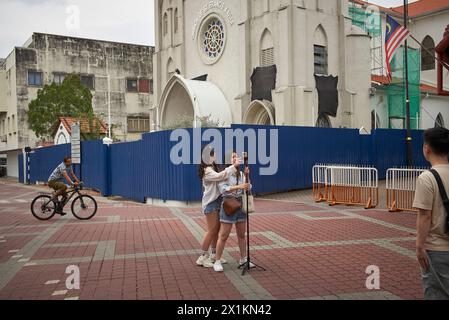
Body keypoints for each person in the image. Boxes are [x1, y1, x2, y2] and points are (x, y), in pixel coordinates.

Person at [413, 127, 449, 300]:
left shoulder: (427, 178)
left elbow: (425, 215)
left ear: (426, 148)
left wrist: (420, 246)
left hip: (437, 249)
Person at [196, 146, 240, 268]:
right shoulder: (207, 170)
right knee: (211, 231)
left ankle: (214, 255)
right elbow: (220, 176)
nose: (215, 156)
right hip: (210, 203)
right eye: (213, 154)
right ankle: (202, 257)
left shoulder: (212, 168)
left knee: (216, 230)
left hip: (217, 202)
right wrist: (233, 166)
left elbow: (222, 176)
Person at [213, 151, 254, 273]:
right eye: (233, 157)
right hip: (228, 205)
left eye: (237, 157)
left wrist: (247, 176)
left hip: (241, 205)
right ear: (229, 161)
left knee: (241, 234)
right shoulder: (224, 174)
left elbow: (249, 187)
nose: (236, 159)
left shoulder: (241, 173)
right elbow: (223, 190)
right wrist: (239, 187)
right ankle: (217, 260)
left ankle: (243, 259)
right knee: (223, 235)